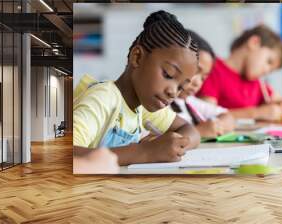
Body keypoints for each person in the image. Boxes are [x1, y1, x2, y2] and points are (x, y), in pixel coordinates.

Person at [73, 10, 201, 166]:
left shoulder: (142, 105)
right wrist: (146, 152)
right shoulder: (102, 99)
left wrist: (173, 145)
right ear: (137, 57)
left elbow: (190, 130)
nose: (173, 92)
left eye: (181, 86)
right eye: (168, 74)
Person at [197, 25, 282, 121]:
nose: (266, 71)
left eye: (271, 71)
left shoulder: (257, 83)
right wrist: (258, 113)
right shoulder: (213, 69)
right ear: (254, 43)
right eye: (269, 61)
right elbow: (207, 115)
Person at [171, 30, 234, 138]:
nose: (198, 83)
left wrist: (216, 126)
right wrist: (198, 132)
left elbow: (229, 117)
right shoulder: (159, 105)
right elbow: (157, 140)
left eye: (203, 78)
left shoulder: (188, 102)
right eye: (196, 71)